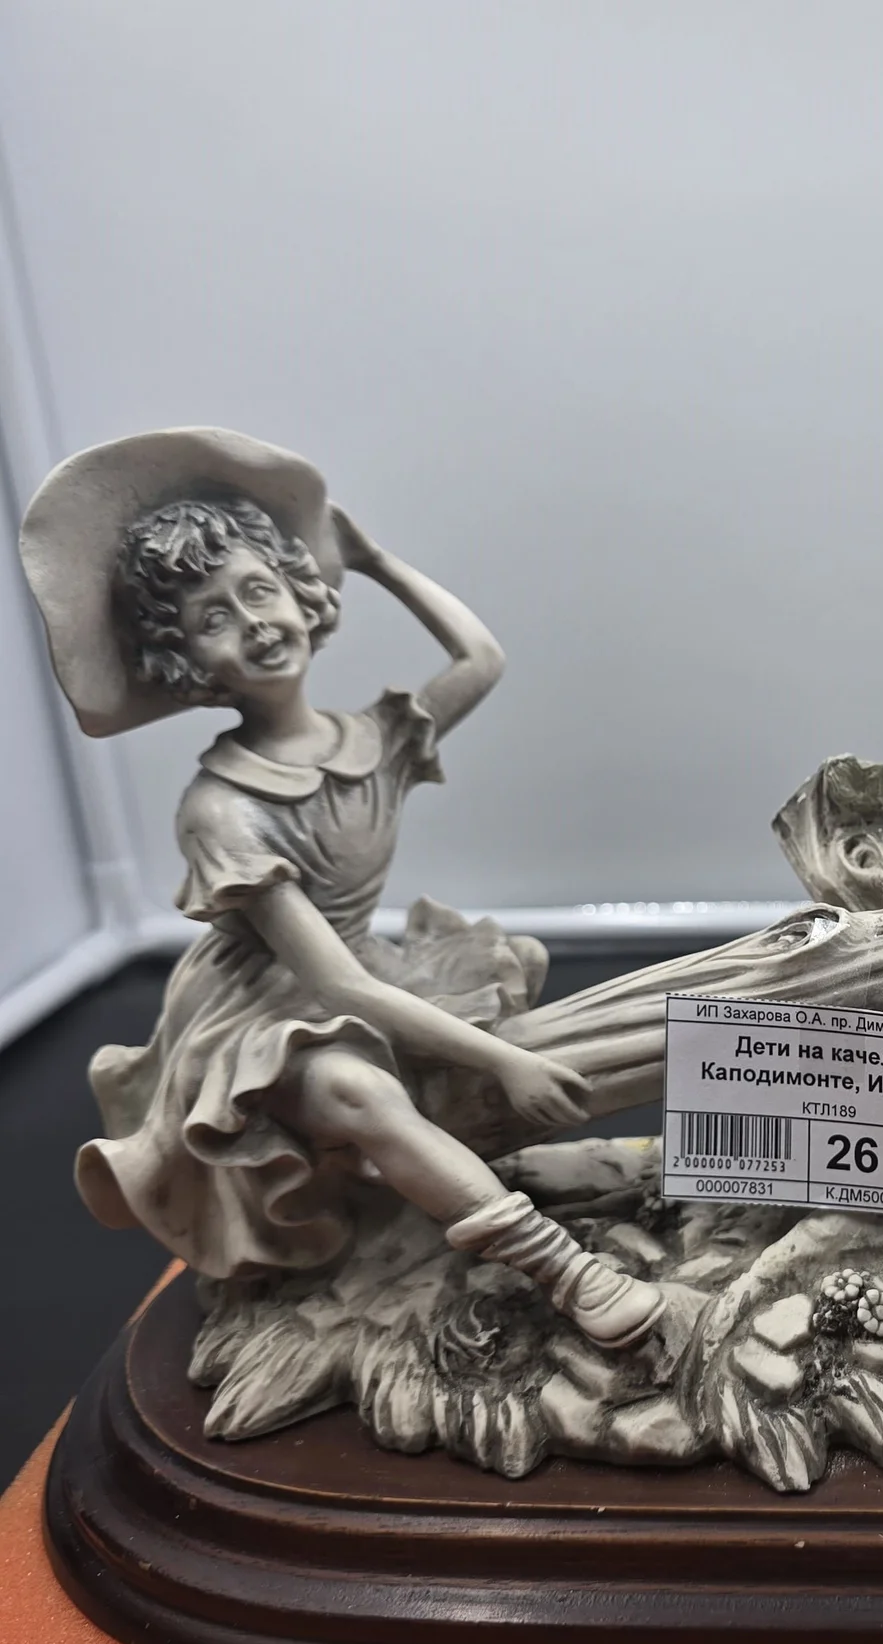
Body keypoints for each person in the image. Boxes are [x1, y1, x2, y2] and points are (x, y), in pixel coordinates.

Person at [20, 429, 662, 1345]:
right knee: (360, 1093)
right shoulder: (222, 808)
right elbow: (336, 986)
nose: (253, 624)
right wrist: (502, 1062)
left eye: (258, 590)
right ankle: (567, 1272)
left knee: (511, 978)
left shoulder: (375, 739)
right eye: (212, 619)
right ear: (188, 662)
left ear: (300, 590)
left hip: (364, 969)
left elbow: (481, 658)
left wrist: (375, 563)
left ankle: (437, 1181)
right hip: (262, 1014)